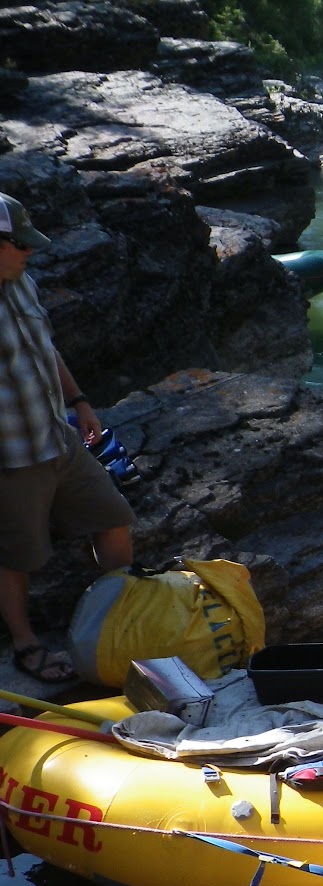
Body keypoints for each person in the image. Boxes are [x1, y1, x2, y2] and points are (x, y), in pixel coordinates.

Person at [0, 192, 134, 685]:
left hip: (60, 437)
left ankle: (120, 618)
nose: (29, 252)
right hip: (12, 457)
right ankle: (26, 645)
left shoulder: (21, 282)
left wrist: (78, 401)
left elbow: (45, 347)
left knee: (113, 517)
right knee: (17, 557)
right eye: (20, 244)